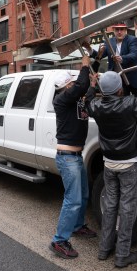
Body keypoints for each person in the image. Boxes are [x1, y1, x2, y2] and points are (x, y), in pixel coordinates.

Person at [86, 62, 137, 268]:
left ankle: (104, 249)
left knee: (111, 206)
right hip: (129, 164)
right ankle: (122, 255)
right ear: (120, 89)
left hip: (109, 164)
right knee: (128, 208)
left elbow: (87, 102)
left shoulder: (96, 106)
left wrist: (92, 85)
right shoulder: (130, 104)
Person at [50, 55, 98, 259]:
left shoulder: (74, 99)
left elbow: (84, 91)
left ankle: (77, 226)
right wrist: (85, 65)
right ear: (65, 87)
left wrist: (93, 85)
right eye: (71, 83)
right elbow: (80, 87)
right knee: (73, 199)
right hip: (67, 157)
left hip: (76, 156)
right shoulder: (61, 100)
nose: (75, 85)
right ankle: (59, 240)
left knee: (83, 196)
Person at [84, 22, 137, 97]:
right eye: (117, 29)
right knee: (122, 105)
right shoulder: (109, 41)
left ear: (125, 30)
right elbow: (99, 56)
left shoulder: (132, 39)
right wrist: (88, 48)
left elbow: (134, 55)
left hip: (135, 78)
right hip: (119, 81)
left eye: (121, 29)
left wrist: (121, 58)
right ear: (113, 30)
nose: (119, 32)